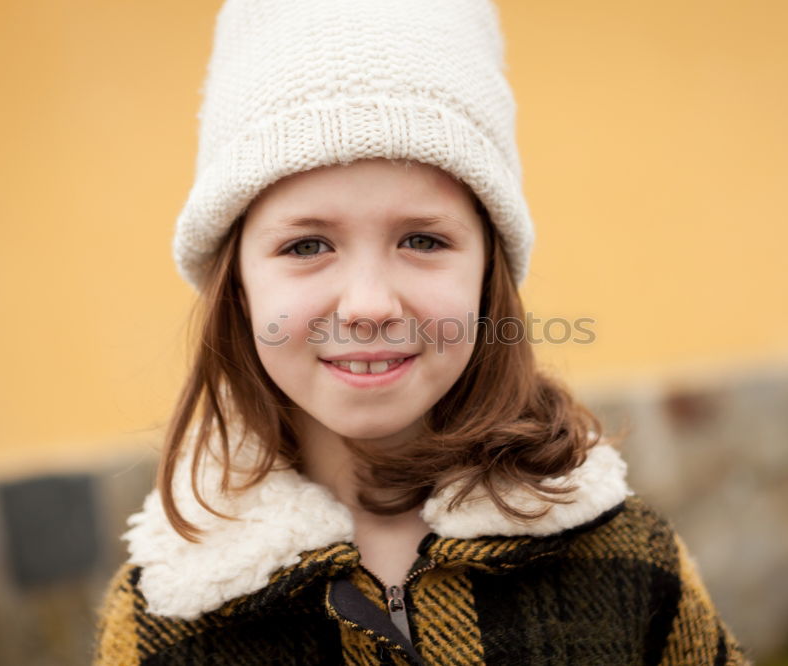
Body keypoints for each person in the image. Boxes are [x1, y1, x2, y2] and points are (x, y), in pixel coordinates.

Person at [93, 0, 749, 664]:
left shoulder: (626, 566)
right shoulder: (166, 623)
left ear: (489, 272)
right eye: (307, 245)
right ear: (236, 283)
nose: (369, 305)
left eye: (423, 239)